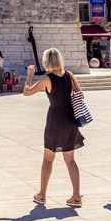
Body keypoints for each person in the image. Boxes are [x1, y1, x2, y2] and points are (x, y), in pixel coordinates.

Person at [23, 47, 84, 207]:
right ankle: (76, 195)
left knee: (48, 159)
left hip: (55, 121)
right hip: (70, 120)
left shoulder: (47, 79)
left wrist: (29, 76)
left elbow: (27, 92)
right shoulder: (69, 75)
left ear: (47, 61)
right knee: (70, 159)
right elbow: (80, 95)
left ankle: (42, 194)